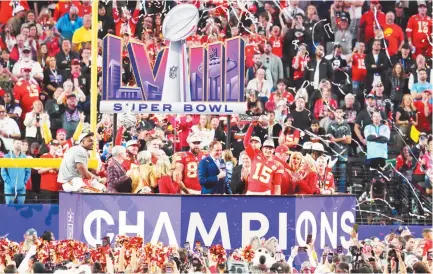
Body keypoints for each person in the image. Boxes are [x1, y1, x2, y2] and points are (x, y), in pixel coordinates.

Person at [244, 121, 283, 195]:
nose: (268, 150)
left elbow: (277, 186)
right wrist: (251, 126)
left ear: (274, 150)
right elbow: (246, 142)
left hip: (265, 193)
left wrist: (278, 201)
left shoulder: (278, 165)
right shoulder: (255, 154)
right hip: (251, 192)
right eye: (266, 148)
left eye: (270, 148)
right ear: (262, 148)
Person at [327, 107, 351, 193]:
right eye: (337, 111)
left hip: (343, 153)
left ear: (343, 114)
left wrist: (336, 139)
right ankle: (332, 191)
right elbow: (329, 140)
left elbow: (349, 140)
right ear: (334, 113)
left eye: (340, 111)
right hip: (332, 153)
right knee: (332, 173)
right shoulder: (331, 125)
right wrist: (342, 138)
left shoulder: (346, 126)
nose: (338, 113)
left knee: (342, 174)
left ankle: (341, 193)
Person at [1, 139, 31, 204]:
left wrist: (24, 182)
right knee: (9, 208)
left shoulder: (25, 158)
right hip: (9, 188)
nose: (19, 145)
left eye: (20, 144)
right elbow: (3, 172)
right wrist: (9, 182)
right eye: (17, 143)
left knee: (21, 209)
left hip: (21, 188)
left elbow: (28, 171)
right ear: (13, 144)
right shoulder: (6, 157)